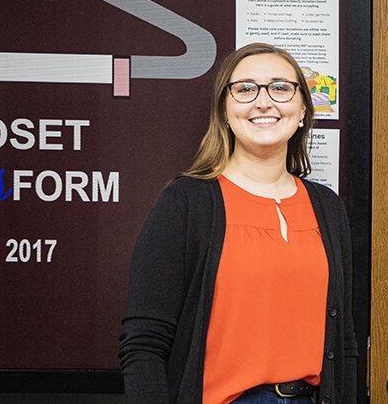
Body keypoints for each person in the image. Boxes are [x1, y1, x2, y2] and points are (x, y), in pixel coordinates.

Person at [119, 43, 357, 404]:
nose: (264, 102)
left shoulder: (327, 208)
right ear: (226, 112)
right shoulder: (187, 203)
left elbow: (345, 343)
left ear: (303, 109)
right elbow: (144, 344)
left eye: (280, 87)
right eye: (245, 89)